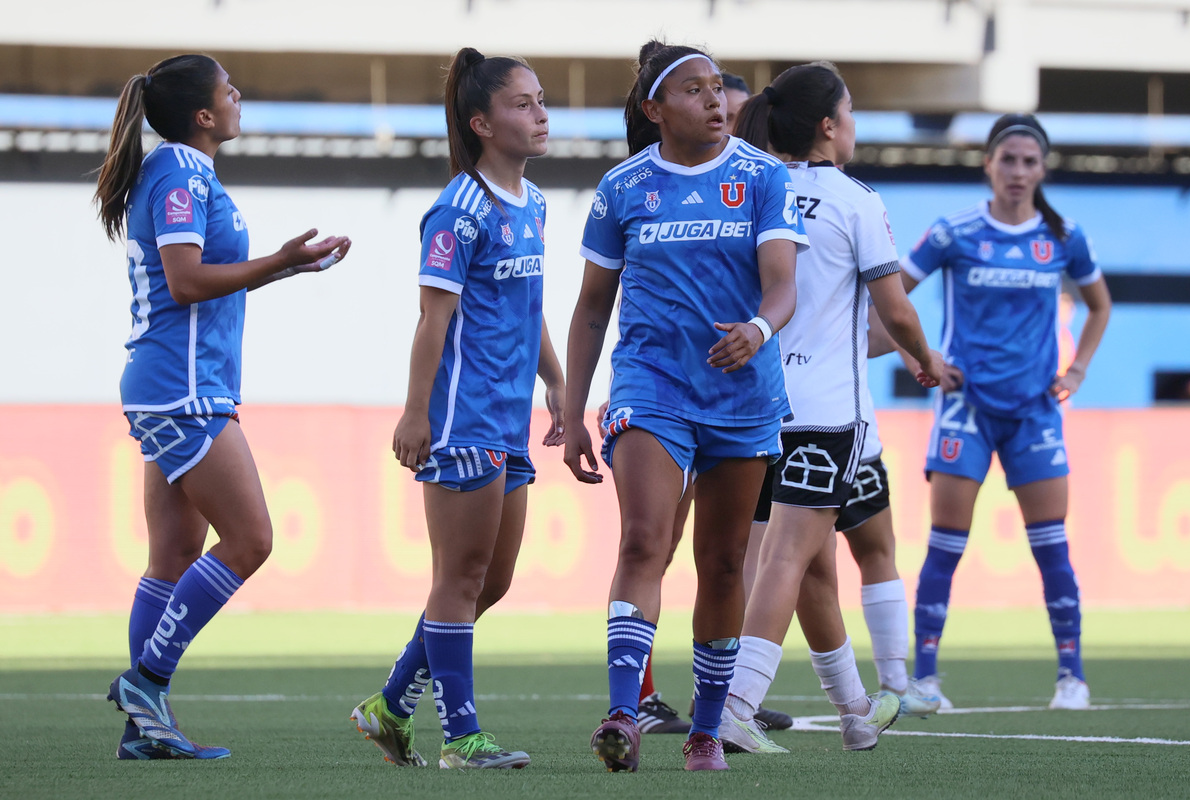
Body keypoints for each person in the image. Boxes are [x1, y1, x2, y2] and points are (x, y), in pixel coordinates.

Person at [95, 54, 351, 760]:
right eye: (229, 91)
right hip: (182, 389)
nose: (240, 97)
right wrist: (281, 262)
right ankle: (146, 683)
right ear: (203, 116)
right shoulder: (179, 170)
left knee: (175, 553)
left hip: (178, 382)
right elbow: (184, 281)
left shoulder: (189, 172)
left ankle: (144, 731)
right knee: (252, 540)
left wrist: (288, 267)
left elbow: (207, 280)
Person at [564, 41, 806, 772]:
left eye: (718, 90)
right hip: (651, 387)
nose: (716, 101)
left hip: (743, 396)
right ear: (654, 109)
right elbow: (590, 309)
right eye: (695, 90)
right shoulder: (622, 187)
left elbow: (784, 286)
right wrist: (570, 410)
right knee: (643, 540)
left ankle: (706, 730)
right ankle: (621, 711)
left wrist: (758, 330)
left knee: (725, 562)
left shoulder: (763, 178)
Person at [716, 62, 944, 754]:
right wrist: (926, 359)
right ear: (827, 125)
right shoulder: (855, 200)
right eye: (849, 112)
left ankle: (853, 711)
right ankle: (734, 704)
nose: (853, 125)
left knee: (810, 564)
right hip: (826, 413)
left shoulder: (758, 190)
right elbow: (895, 308)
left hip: (759, 405)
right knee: (788, 559)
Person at [350, 47, 565, 771]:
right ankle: (462, 739)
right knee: (460, 579)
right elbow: (432, 321)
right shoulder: (457, 210)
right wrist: (416, 414)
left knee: (491, 581)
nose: (541, 114)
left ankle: (388, 705)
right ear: (481, 122)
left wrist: (557, 383)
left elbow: (527, 308)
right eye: (524, 103)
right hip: (460, 421)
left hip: (509, 420)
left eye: (541, 100)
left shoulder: (532, 203)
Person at [901, 113, 1111, 711]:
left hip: (1034, 412)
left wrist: (1077, 370)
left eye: (1029, 161)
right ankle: (926, 681)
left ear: (1042, 169)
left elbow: (1099, 307)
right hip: (965, 407)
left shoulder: (1063, 235)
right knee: (945, 543)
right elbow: (890, 301)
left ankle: (1072, 677)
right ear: (987, 164)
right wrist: (926, 356)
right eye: (1008, 159)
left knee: (1051, 545)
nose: (1018, 171)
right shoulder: (953, 233)